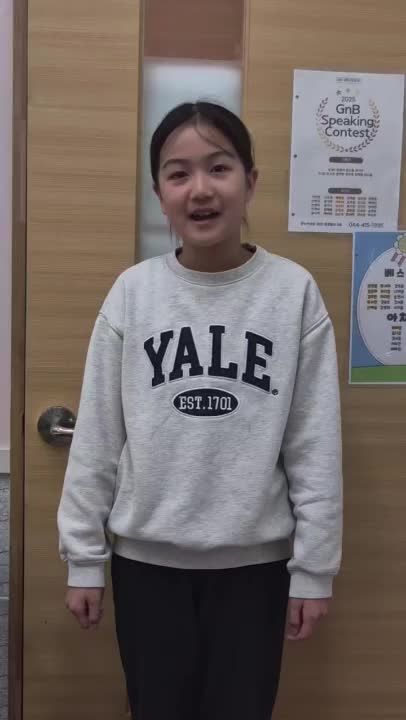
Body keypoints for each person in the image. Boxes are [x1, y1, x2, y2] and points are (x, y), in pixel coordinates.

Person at [57, 101, 343, 720]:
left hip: (256, 572)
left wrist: (314, 570)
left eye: (219, 167)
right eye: (178, 173)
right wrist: (84, 559)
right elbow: (98, 436)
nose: (201, 189)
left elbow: (314, 444)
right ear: (158, 193)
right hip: (145, 569)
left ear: (250, 181)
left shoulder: (292, 293)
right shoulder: (133, 294)